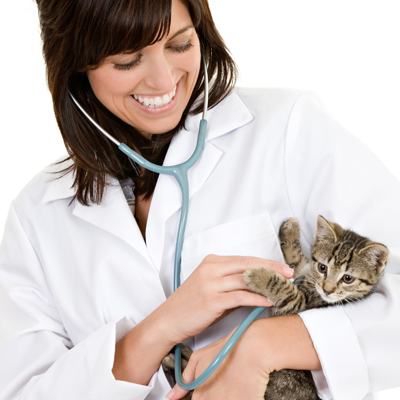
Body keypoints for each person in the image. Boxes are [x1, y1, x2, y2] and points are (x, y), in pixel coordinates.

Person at [0, 0, 399, 399]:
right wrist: (157, 331)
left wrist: (260, 348)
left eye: (179, 44)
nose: (163, 81)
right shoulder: (36, 216)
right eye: (127, 60)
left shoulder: (287, 131)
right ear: (74, 63)